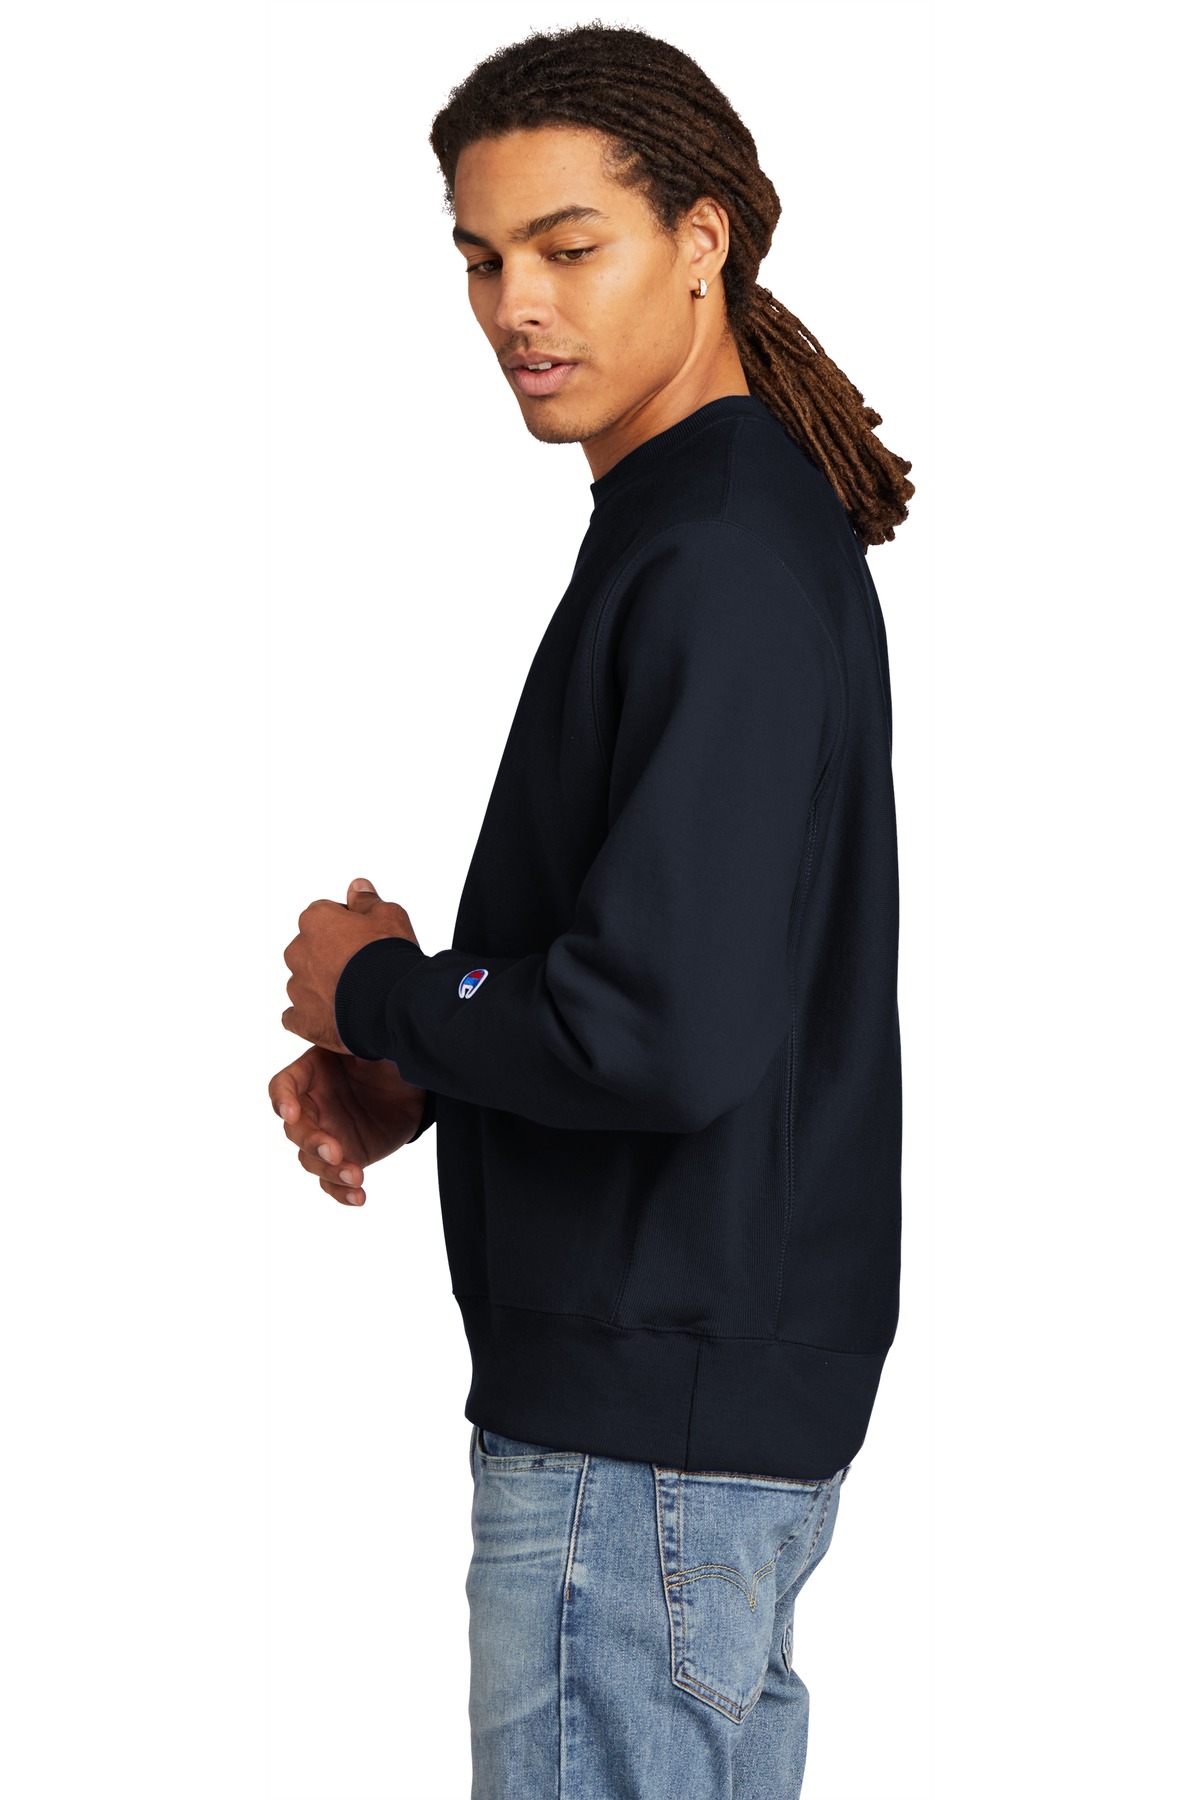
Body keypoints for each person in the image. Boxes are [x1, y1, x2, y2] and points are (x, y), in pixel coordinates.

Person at [269, 23, 913, 1798]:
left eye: (569, 247)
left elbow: (661, 1026)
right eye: (482, 258)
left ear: (704, 242)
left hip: (644, 1446)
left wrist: (379, 996)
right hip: (677, 1416)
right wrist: (431, 1069)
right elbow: (680, 977)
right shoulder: (702, 521)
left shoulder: (717, 549)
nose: (516, 307)